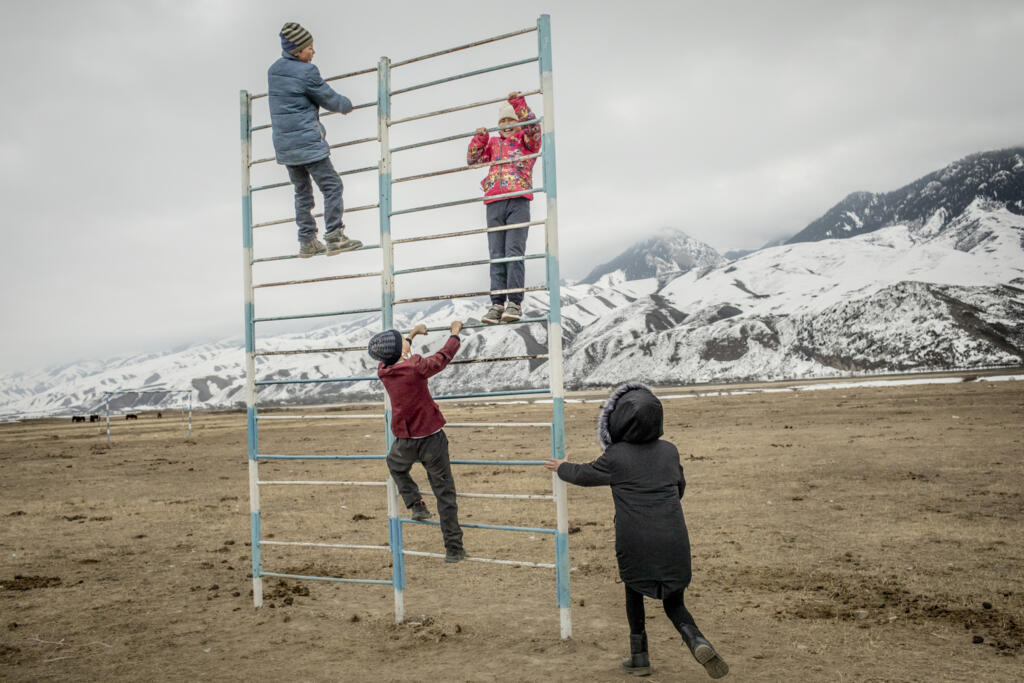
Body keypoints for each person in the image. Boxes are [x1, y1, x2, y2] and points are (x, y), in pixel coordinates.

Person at [544, 382, 728, 679]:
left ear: (619, 421)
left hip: (635, 538)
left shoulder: (616, 456)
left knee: (634, 591)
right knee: (674, 602)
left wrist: (562, 467)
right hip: (673, 536)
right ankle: (697, 639)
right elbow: (679, 487)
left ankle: (639, 656)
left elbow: (584, 474)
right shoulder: (669, 451)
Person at [368, 321, 467, 563]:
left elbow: (400, 355)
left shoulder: (383, 370)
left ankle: (415, 504)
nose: (405, 340)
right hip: (431, 438)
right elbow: (442, 358)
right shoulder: (417, 367)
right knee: (445, 494)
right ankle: (454, 549)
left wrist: (412, 334)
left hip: (405, 440)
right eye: (402, 339)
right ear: (402, 351)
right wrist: (454, 334)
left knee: (395, 465)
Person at [268, 22, 362, 258]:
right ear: (297, 51)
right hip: (308, 144)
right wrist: (347, 105)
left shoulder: (274, 71)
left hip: (286, 147)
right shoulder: (307, 72)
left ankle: (307, 240)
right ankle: (334, 236)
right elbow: (329, 98)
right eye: (309, 47)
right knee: (332, 186)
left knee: (302, 192)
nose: (313, 52)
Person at [467, 91, 541, 325]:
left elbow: (534, 128)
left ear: (518, 122)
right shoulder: (493, 143)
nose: (507, 125)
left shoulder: (526, 143)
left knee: (513, 252)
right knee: (496, 256)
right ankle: (496, 304)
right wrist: (479, 139)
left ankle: (514, 302)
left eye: (511, 121)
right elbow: (473, 160)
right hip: (494, 201)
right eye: (503, 121)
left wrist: (518, 105)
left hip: (518, 198)